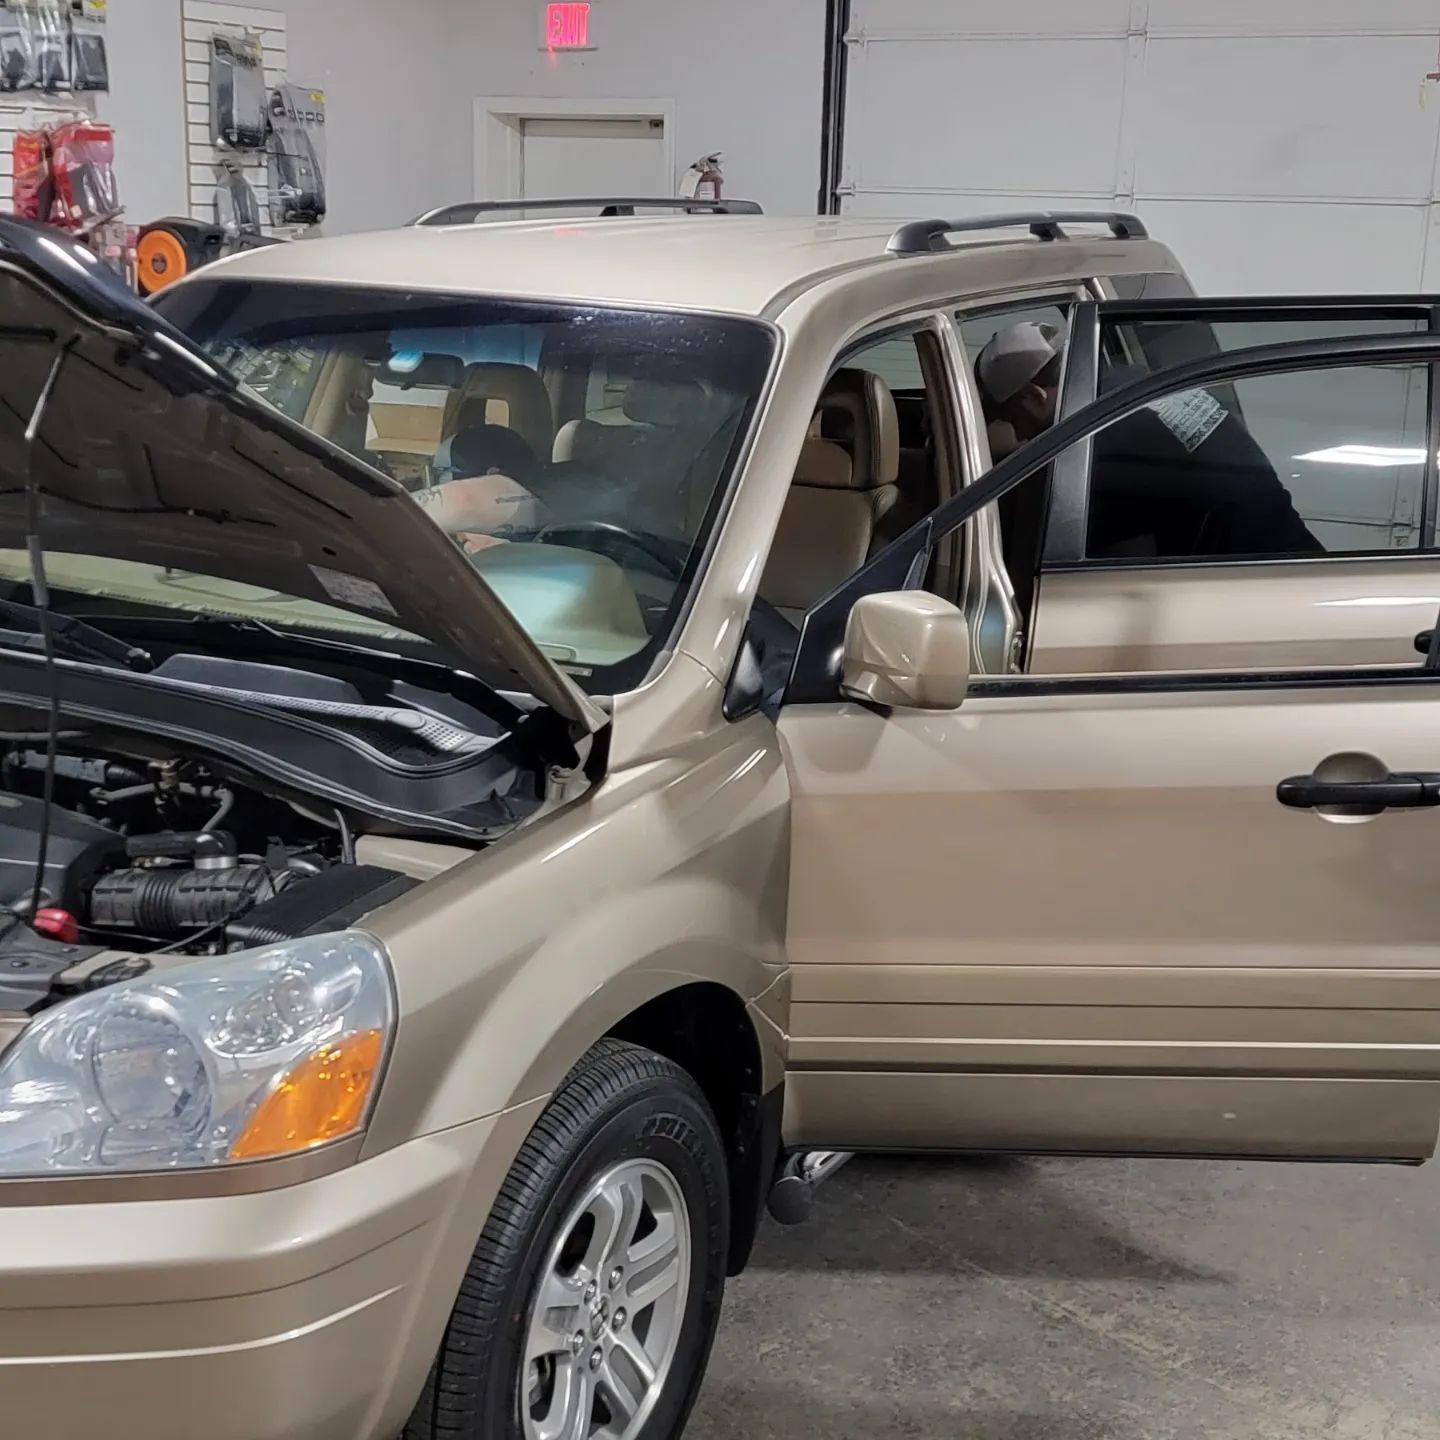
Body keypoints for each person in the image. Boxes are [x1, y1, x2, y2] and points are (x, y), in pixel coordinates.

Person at [975, 321, 1322, 559]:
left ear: (1035, 397)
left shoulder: (1102, 443)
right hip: (1290, 557)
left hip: (1252, 588)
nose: (1020, 434)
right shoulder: (1132, 384)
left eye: (1013, 418)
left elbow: (1048, 550)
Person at [413, 423, 550, 553]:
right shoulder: (549, 513)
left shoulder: (524, 512)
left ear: (493, 477)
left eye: (440, 471)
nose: (437, 485)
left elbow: (462, 498)